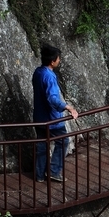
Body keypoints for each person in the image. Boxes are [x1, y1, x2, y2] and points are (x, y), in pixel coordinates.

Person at [32, 45, 79, 182]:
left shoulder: (38, 72)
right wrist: (68, 107)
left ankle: (39, 174)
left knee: (42, 145)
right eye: (58, 58)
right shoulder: (49, 77)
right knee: (63, 141)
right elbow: (52, 98)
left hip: (39, 118)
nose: (59, 60)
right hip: (52, 120)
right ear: (52, 61)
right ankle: (53, 171)